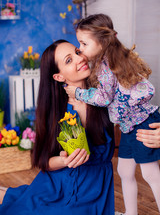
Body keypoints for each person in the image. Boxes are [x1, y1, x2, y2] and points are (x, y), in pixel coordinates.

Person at [0, 40, 115, 215]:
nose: (79, 59)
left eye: (77, 52)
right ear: (59, 77)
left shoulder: (106, 98)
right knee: (28, 206)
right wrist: (65, 160)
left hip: (92, 187)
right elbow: (44, 162)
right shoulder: (57, 112)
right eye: (69, 60)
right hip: (58, 182)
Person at [64, 14, 160, 214]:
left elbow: (103, 98)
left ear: (102, 42)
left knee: (151, 174)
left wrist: (78, 93)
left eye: (83, 43)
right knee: (124, 171)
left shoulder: (106, 66)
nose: (79, 48)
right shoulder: (110, 61)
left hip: (142, 123)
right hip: (128, 126)